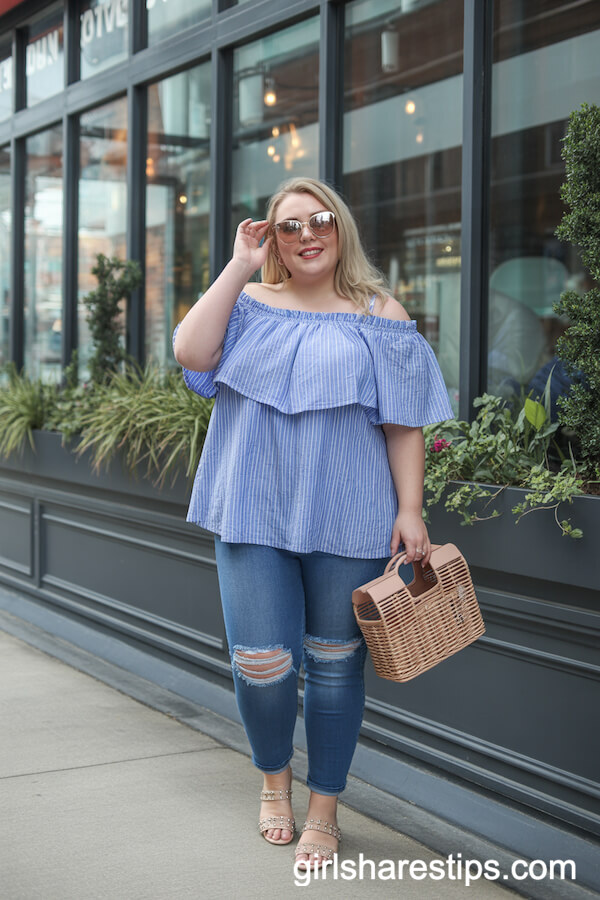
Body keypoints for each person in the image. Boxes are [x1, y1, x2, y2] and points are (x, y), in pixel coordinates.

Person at [173, 177, 453, 870]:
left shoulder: (379, 314)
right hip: (251, 508)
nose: (307, 235)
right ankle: (275, 780)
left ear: (341, 227)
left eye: (319, 219)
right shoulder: (245, 304)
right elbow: (190, 353)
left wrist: (411, 509)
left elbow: (403, 422)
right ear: (271, 236)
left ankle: (325, 808)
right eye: (288, 225)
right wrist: (239, 263)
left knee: (334, 667)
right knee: (261, 665)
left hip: (351, 514)